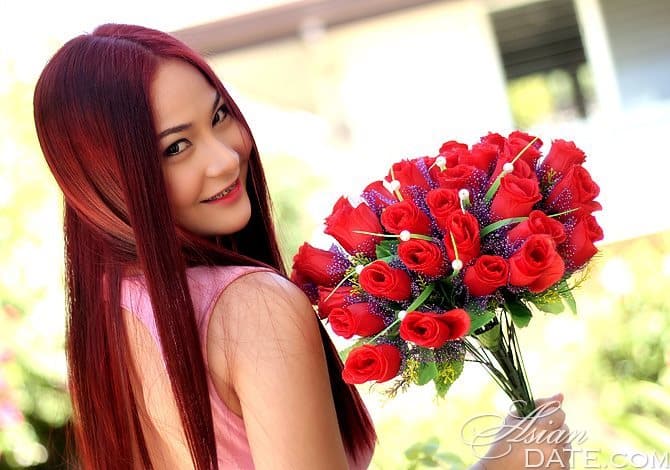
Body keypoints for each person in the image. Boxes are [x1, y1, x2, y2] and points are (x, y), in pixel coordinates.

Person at [33, 23, 571, 469]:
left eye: (219, 116)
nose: (224, 157)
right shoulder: (252, 307)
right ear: (108, 180)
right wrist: (507, 463)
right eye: (177, 147)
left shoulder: (109, 315)